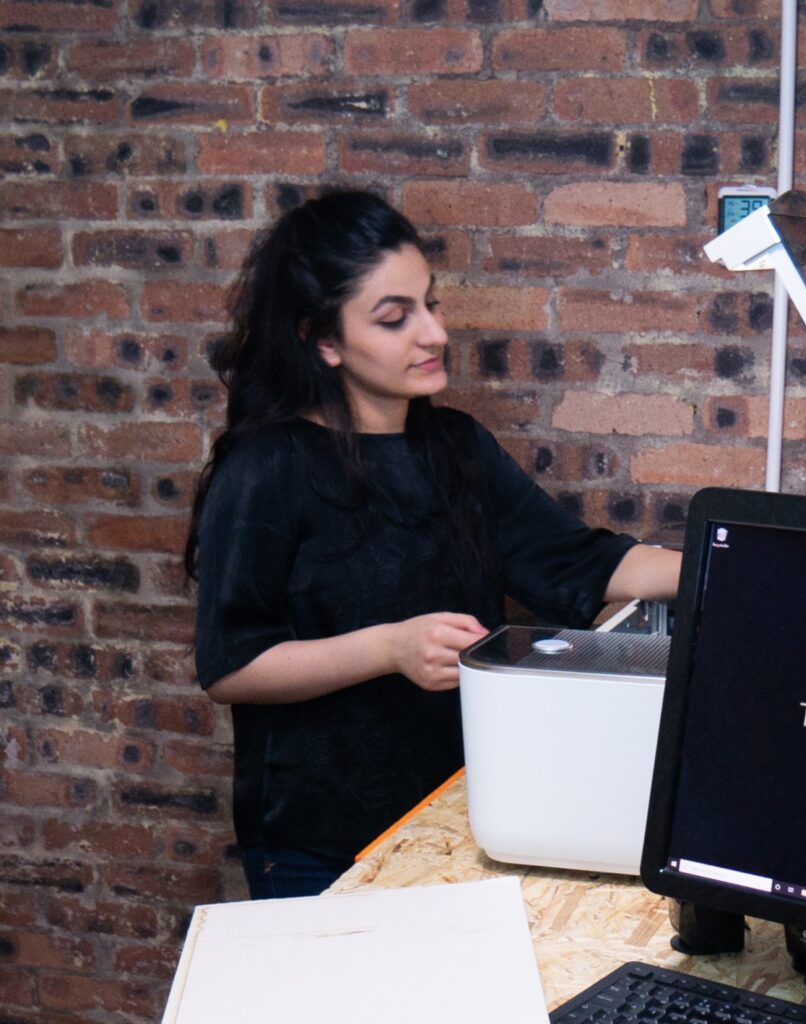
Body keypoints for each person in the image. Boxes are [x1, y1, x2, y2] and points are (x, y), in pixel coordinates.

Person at [186, 190, 682, 899]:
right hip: (318, 845)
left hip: (453, 819)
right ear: (322, 340)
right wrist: (388, 648)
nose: (433, 333)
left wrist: (732, 566)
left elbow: (582, 562)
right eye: (395, 318)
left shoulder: (457, 447)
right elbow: (230, 664)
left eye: (431, 304)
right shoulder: (268, 467)